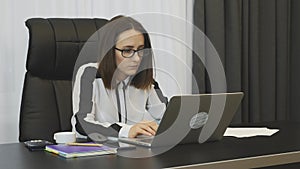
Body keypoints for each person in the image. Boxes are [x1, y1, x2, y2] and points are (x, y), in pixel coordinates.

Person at [72, 15, 168, 140]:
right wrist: (126, 131)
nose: (137, 58)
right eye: (127, 51)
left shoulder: (144, 80)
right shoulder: (90, 74)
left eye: (140, 50)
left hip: (134, 151)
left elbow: (167, 116)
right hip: (98, 152)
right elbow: (83, 125)